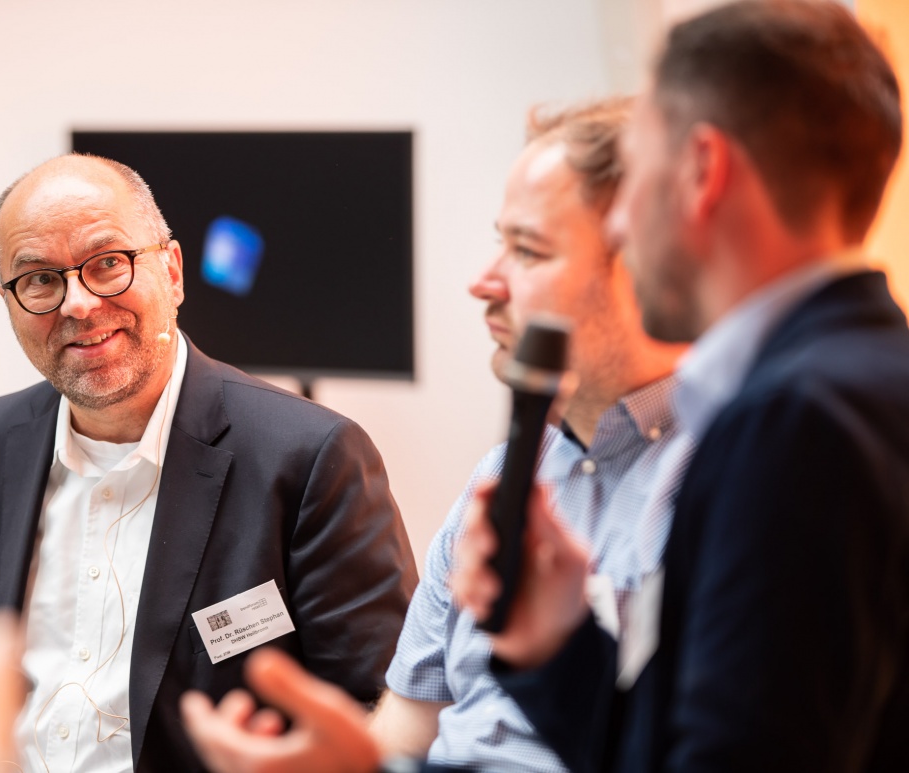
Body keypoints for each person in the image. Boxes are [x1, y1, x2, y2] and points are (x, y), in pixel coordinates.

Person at [455, 1, 909, 771]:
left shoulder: (792, 421)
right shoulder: (870, 378)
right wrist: (552, 646)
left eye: (638, 174)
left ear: (702, 169)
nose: (623, 226)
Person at [182, 99, 687, 772]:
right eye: (500, 241)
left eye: (528, 250)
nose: (485, 282)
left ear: (647, 268)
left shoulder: (728, 479)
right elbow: (407, 726)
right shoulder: (507, 473)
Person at [0, 153, 418, 772]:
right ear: (10, 302)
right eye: (40, 279)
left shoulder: (310, 458)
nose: (78, 303)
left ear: (173, 271)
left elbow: (375, 721)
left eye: (107, 264)